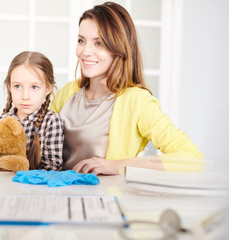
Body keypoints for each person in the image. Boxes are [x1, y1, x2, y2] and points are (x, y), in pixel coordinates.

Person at [50, 2, 203, 175]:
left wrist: (120, 165)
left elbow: (192, 158)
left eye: (98, 43)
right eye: (81, 41)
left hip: (105, 198)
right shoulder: (68, 92)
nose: (85, 51)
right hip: (56, 195)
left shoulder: (138, 101)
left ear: (119, 48)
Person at [0, 51, 64, 171]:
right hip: (2, 186)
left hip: (34, 187)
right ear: (9, 86)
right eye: (17, 86)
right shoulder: (0, 121)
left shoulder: (51, 121)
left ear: (48, 88)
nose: (25, 96)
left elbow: (52, 167)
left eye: (34, 87)